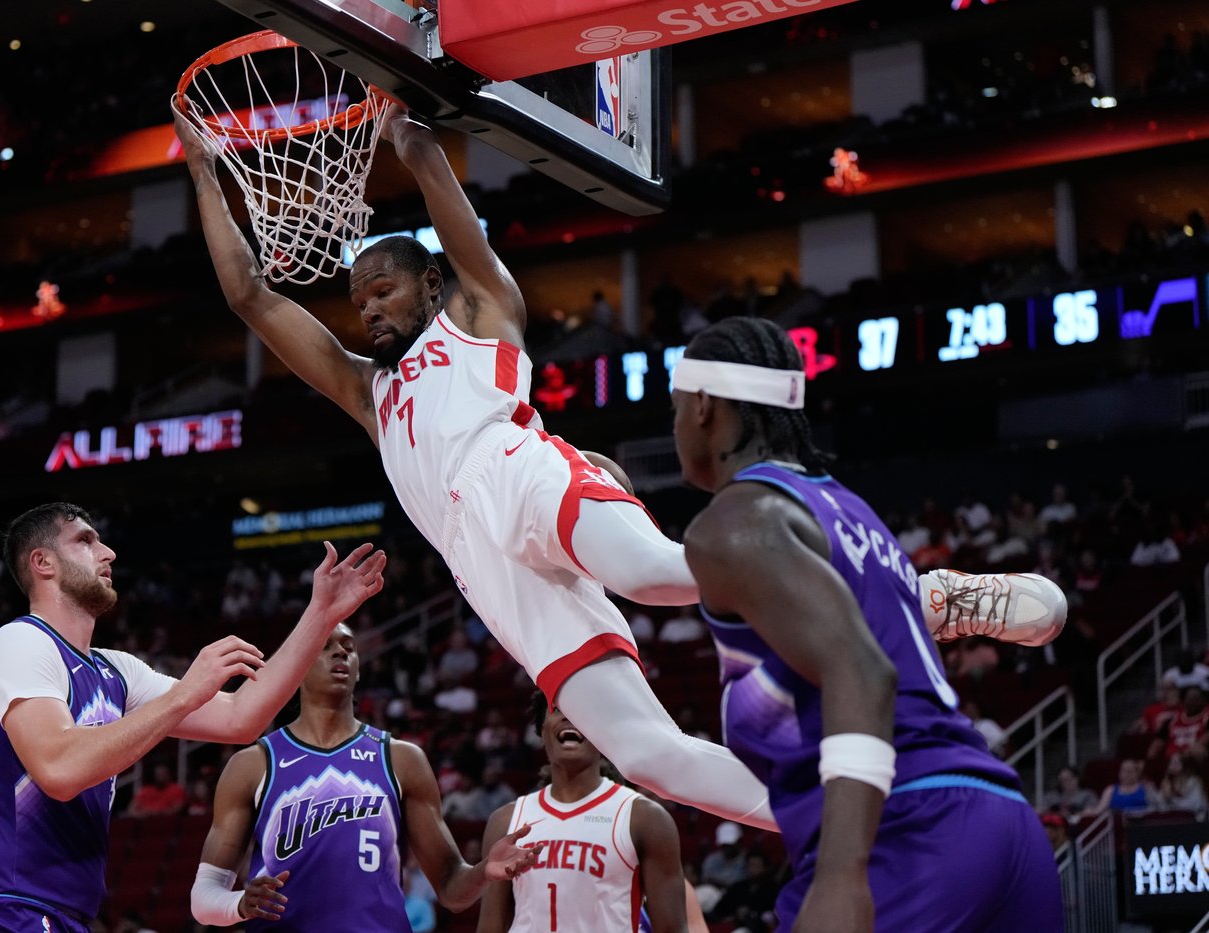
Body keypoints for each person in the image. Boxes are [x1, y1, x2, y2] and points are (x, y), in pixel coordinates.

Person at [174, 101, 1046, 828]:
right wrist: (207, 171)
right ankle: (844, 811)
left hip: (517, 468)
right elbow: (250, 293)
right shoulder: (368, 393)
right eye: (358, 298)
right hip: (478, 565)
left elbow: (458, 233)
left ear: (430, 285)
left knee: (664, 574)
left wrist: (419, 150)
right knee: (650, 756)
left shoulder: (478, 313)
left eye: (383, 290)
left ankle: (933, 596)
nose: (366, 309)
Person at [670, 316, 1062, 932]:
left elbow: (862, 669)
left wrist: (841, 875)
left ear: (700, 406)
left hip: (907, 831)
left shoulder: (732, 520)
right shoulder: (852, 512)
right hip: (1004, 819)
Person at [0, 503, 386, 932]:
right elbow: (59, 769)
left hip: (62, 912)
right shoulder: (20, 643)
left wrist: (321, 613)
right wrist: (185, 695)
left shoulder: (115, 670)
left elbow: (240, 718)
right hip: (2, 909)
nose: (107, 552)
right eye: (85, 540)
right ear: (42, 562)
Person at [188, 622, 540, 930]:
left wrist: (483, 871)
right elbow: (204, 899)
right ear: (295, 666)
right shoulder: (254, 764)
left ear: (358, 669)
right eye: (325, 647)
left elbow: (451, 888)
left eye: (348, 648)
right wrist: (238, 905)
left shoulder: (401, 758)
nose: (340, 653)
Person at [476, 691, 688, 933]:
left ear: (603, 733)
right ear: (541, 730)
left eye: (582, 709)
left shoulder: (644, 818)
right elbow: (490, 927)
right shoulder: (505, 821)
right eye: (558, 708)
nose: (570, 717)